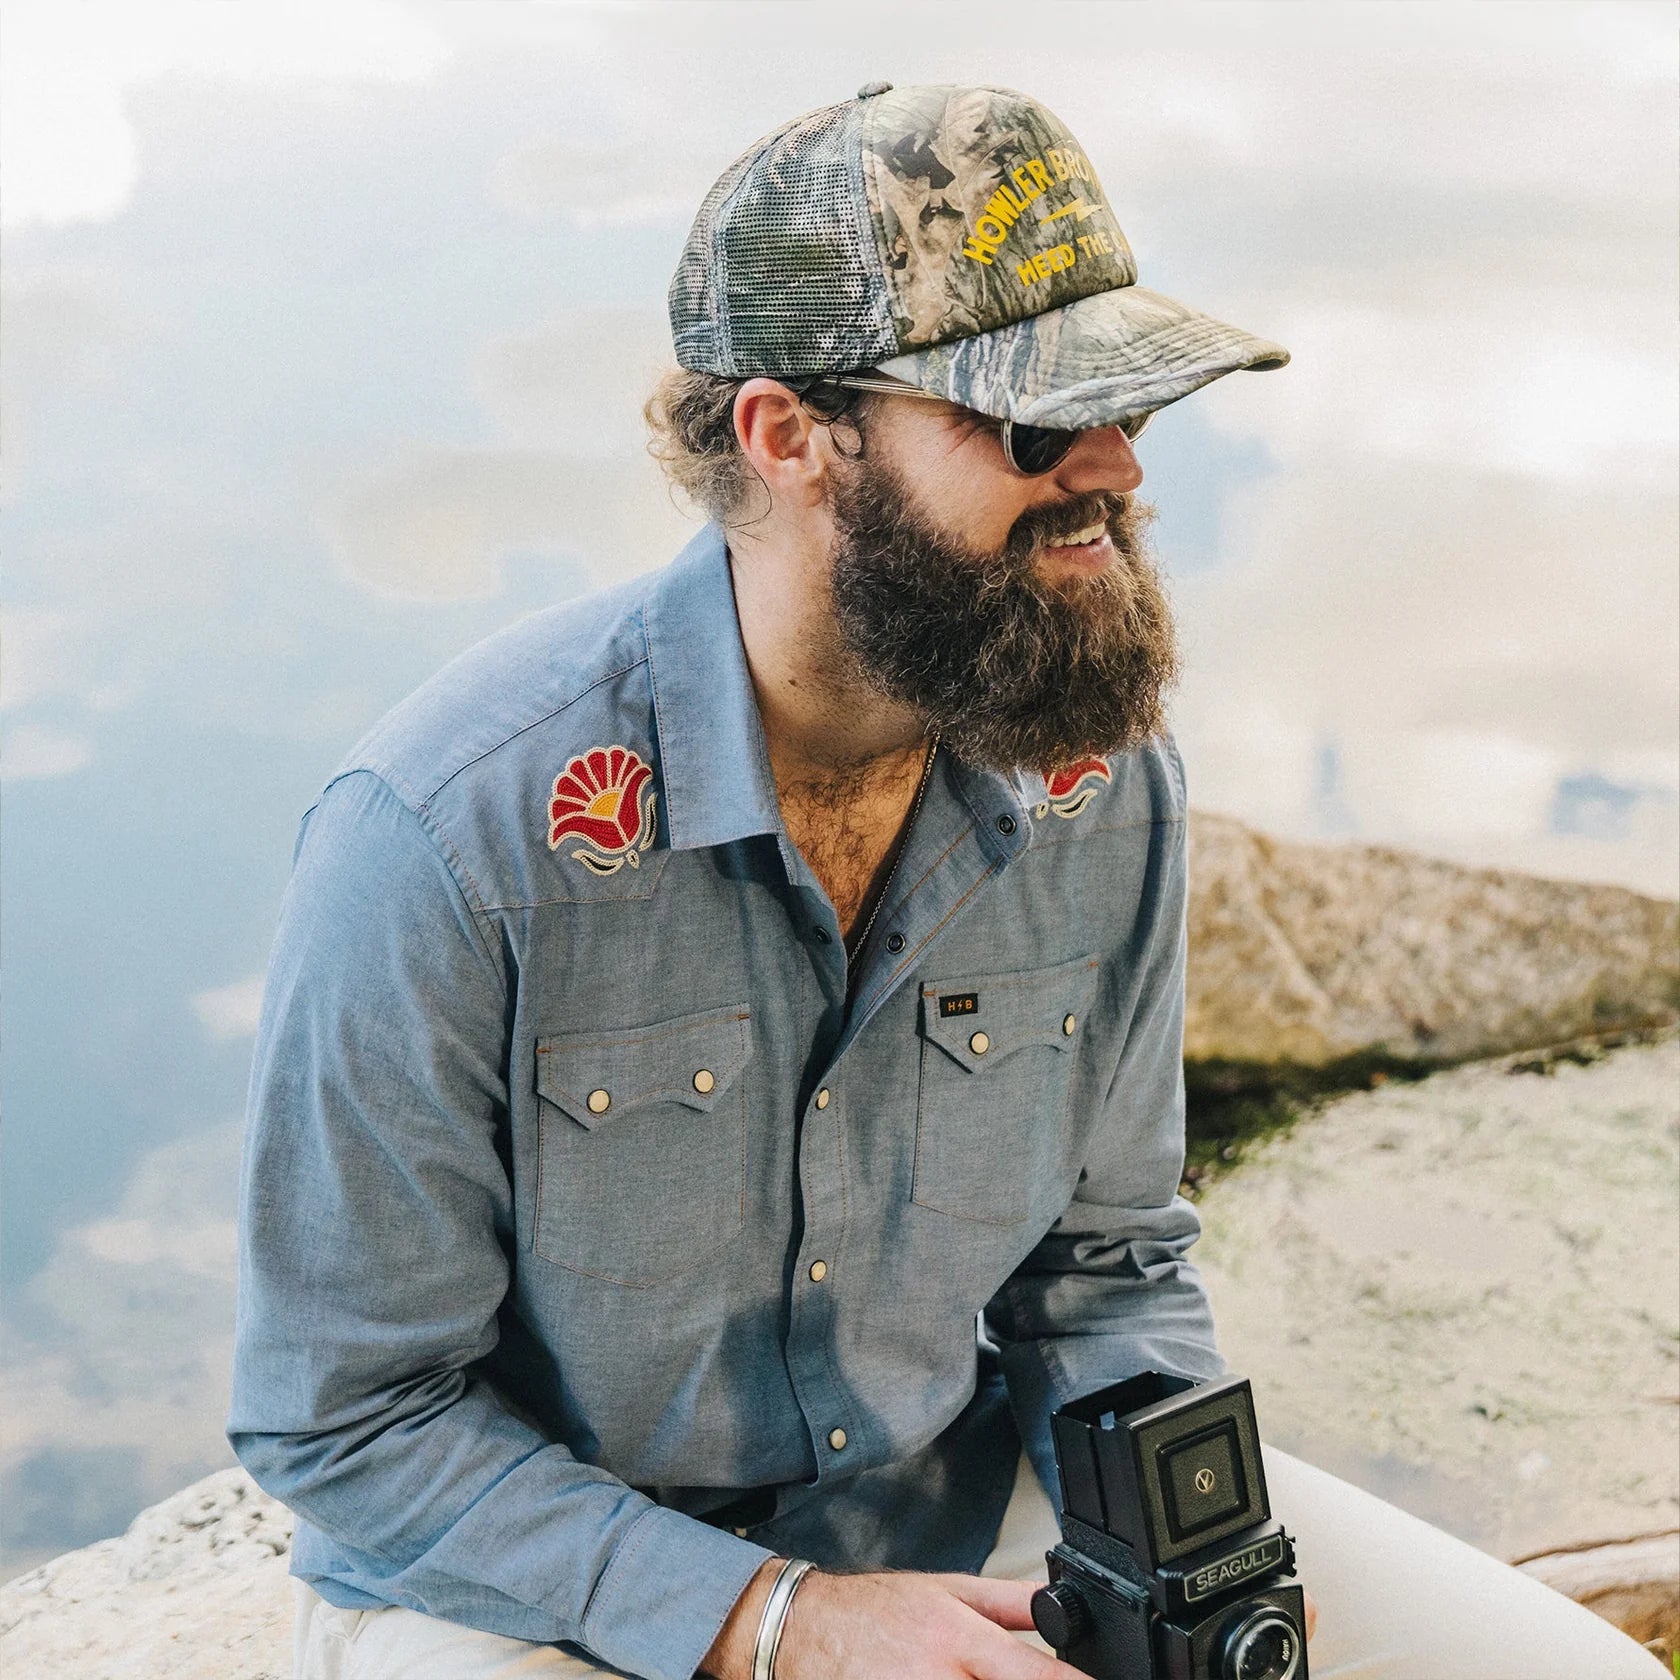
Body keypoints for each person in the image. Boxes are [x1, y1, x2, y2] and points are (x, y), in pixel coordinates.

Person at [229, 82, 1667, 1680]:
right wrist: (782, 1625)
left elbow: (1104, 1273)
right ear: (791, 438)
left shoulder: (1101, 783)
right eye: (1037, 423)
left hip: (967, 1518)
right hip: (533, 1595)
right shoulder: (442, 837)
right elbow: (349, 1422)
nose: (1112, 469)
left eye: (1131, 408)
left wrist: (1196, 1573)